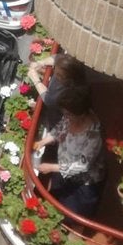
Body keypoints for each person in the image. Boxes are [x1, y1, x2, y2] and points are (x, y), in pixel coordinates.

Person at [31, 86, 106, 217]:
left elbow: (82, 165)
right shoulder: (69, 116)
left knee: (74, 214)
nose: (65, 116)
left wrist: (51, 167)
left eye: (68, 113)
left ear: (80, 114)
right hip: (62, 168)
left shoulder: (93, 136)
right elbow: (60, 129)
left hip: (83, 182)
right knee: (56, 200)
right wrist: (43, 142)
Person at [29, 52, 88, 131]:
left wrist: (35, 80)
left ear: (64, 78)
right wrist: (40, 63)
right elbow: (57, 58)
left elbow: (49, 100)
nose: (55, 73)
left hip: (59, 122)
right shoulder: (73, 67)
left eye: (57, 73)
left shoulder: (69, 93)